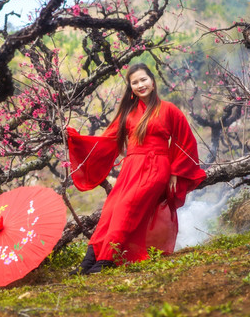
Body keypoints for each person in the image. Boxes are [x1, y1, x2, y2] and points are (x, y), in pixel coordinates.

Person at [67, 63, 206, 275]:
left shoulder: (169, 109)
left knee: (126, 210)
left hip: (156, 168)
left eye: (143, 79)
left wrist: (176, 171)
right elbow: (106, 141)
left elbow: (185, 141)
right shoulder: (128, 113)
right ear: (130, 87)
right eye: (135, 82)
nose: (140, 85)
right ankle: (88, 261)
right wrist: (75, 139)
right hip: (130, 169)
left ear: (152, 81)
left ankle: (107, 262)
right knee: (110, 211)